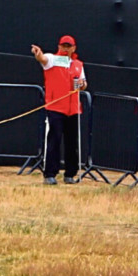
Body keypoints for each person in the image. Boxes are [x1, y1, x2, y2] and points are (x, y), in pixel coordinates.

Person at [29, 33, 87, 183]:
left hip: (73, 108)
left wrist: (82, 85)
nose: (66, 49)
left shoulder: (78, 64)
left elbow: (83, 84)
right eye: (63, 46)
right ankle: (50, 174)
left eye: (69, 46)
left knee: (72, 142)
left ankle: (70, 174)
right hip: (56, 107)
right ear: (59, 46)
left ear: (74, 48)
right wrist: (38, 54)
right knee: (54, 140)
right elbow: (43, 59)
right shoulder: (53, 59)